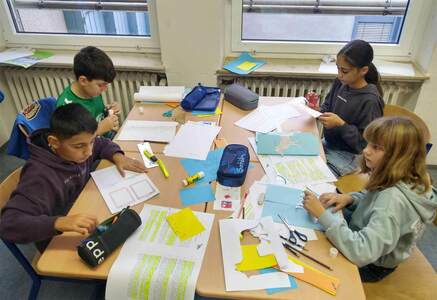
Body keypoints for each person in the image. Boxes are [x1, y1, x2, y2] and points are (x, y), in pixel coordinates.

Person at [303, 116, 437, 282]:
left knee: (312, 260)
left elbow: (361, 252)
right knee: (326, 220)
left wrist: (322, 215)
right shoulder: (405, 176)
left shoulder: (392, 201)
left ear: (399, 156)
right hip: (374, 240)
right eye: (368, 143)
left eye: (376, 147)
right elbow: (372, 197)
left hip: (371, 264)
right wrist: (350, 199)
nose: (366, 150)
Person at [0, 104, 147, 252]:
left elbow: (101, 143)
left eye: (91, 141)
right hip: (58, 237)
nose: (89, 152)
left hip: (83, 209)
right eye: (79, 146)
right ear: (54, 142)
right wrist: (58, 222)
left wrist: (118, 156)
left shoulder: (78, 144)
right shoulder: (39, 176)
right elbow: (9, 224)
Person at [319, 39, 385, 176]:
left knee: (315, 176)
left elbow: (364, 144)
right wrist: (315, 110)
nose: (339, 74)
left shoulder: (370, 100)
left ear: (363, 70)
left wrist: (340, 124)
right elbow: (327, 106)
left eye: (345, 70)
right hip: (329, 144)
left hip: (350, 156)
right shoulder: (340, 82)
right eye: (338, 68)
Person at [57, 46, 120, 137]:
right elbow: (73, 142)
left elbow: (96, 115)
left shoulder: (91, 92)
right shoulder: (67, 107)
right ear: (83, 81)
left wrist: (109, 112)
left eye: (106, 85)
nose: (105, 89)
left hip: (108, 141)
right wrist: (99, 130)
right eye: (101, 85)